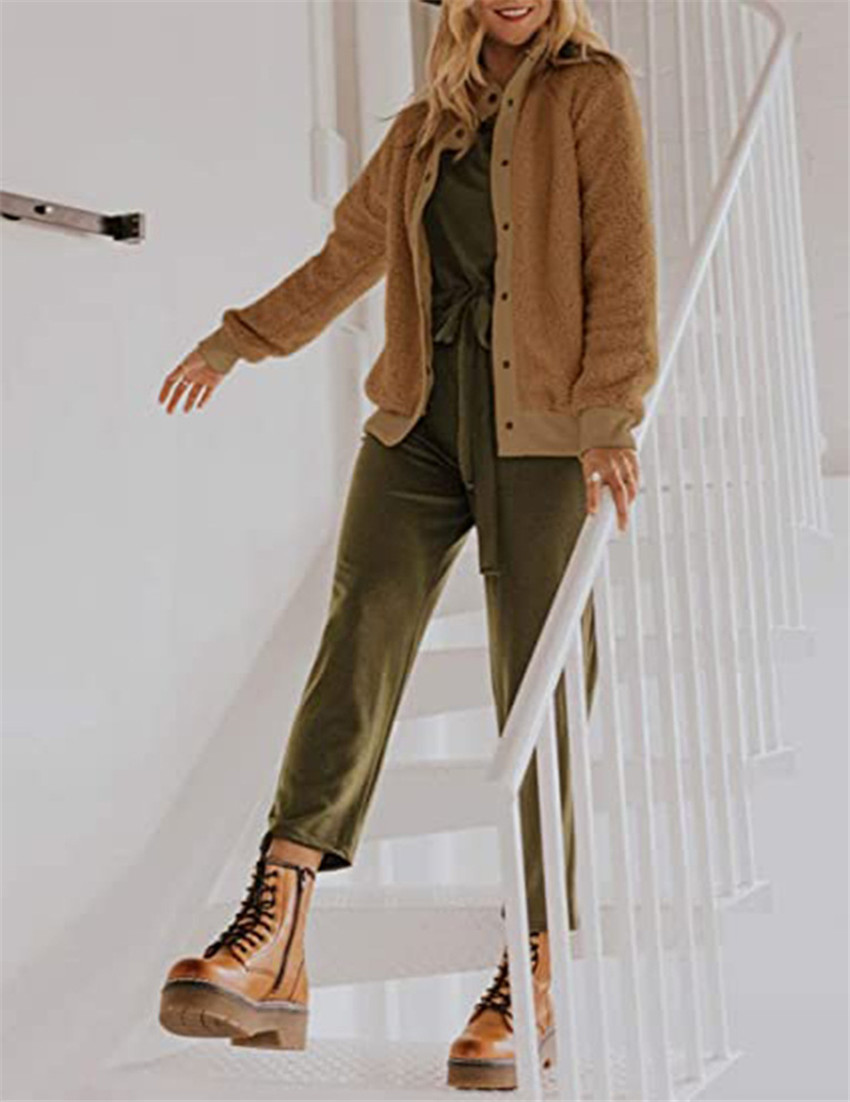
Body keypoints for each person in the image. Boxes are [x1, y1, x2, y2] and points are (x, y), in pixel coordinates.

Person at [156, 0, 657, 1089]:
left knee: (540, 686)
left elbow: (620, 258)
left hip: (546, 431)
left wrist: (610, 413)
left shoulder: (592, 91)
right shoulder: (425, 125)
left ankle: (531, 970)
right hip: (419, 420)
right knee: (359, 635)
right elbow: (349, 255)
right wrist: (238, 341)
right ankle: (277, 934)